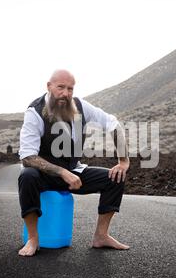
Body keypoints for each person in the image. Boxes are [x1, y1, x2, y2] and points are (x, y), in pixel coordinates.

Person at [18, 69, 130, 257]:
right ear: (49, 86)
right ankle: (33, 238)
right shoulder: (34, 112)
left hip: (74, 171)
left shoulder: (80, 106)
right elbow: (28, 157)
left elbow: (112, 123)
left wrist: (123, 160)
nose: (66, 93)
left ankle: (101, 236)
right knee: (27, 175)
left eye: (70, 88)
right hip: (43, 175)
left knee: (115, 177)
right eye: (60, 87)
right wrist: (62, 172)